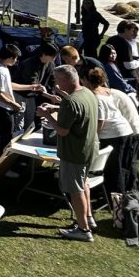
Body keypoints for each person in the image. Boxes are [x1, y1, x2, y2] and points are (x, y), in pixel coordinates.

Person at [38, 65, 99, 241]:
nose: (55, 83)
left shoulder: (70, 102)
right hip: (89, 150)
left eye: (56, 79)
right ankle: (88, 218)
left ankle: (83, 230)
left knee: (75, 190)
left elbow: (62, 131)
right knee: (83, 184)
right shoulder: (87, 93)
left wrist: (46, 114)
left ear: (65, 80)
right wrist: (57, 107)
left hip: (74, 152)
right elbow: (76, 111)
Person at [85, 67, 139, 204]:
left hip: (115, 135)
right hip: (125, 131)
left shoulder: (96, 97)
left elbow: (100, 121)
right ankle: (126, 196)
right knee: (121, 167)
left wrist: (93, 137)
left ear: (86, 81)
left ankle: (117, 202)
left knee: (114, 170)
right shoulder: (106, 93)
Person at [0, 44, 36, 164]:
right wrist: (14, 104)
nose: (16, 61)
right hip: (1, 108)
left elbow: (8, 85)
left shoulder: (1, 66)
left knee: (5, 135)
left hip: (3, 106)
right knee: (7, 137)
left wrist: (30, 86)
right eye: (15, 58)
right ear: (9, 57)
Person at [107, 20, 139, 89]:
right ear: (126, 30)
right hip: (127, 78)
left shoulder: (110, 39)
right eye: (132, 31)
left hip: (112, 74)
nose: (133, 33)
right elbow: (128, 65)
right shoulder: (125, 45)